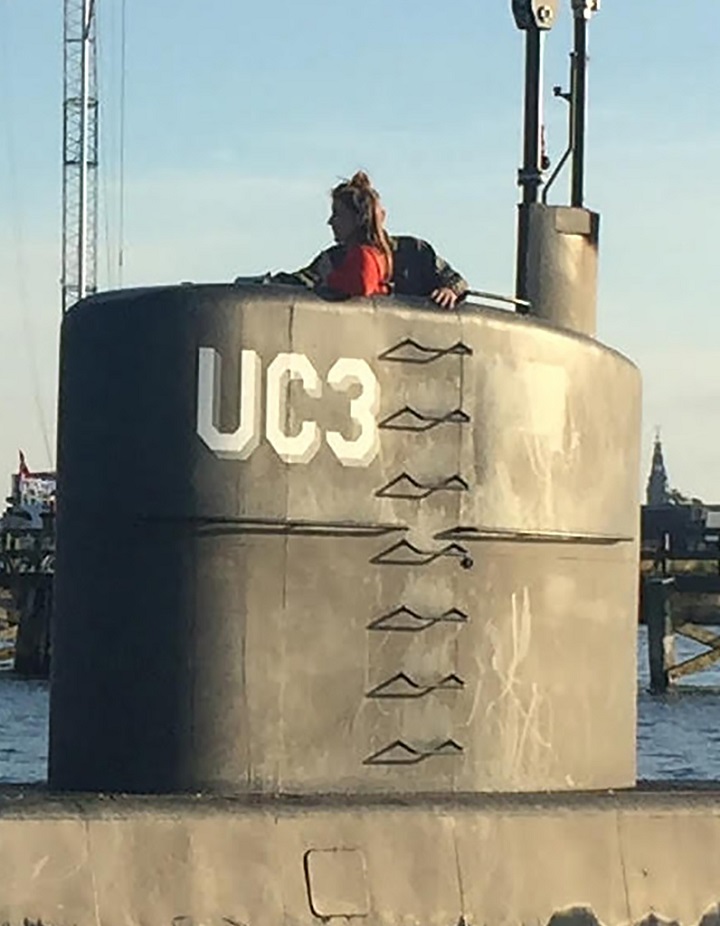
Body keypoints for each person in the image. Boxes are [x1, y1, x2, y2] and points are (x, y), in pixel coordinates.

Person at [270, 172, 469, 309]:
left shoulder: (415, 252)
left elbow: (456, 280)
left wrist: (449, 290)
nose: (330, 222)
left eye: (337, 214)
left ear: (357, 219)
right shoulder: (334, 258)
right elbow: (300, 281)